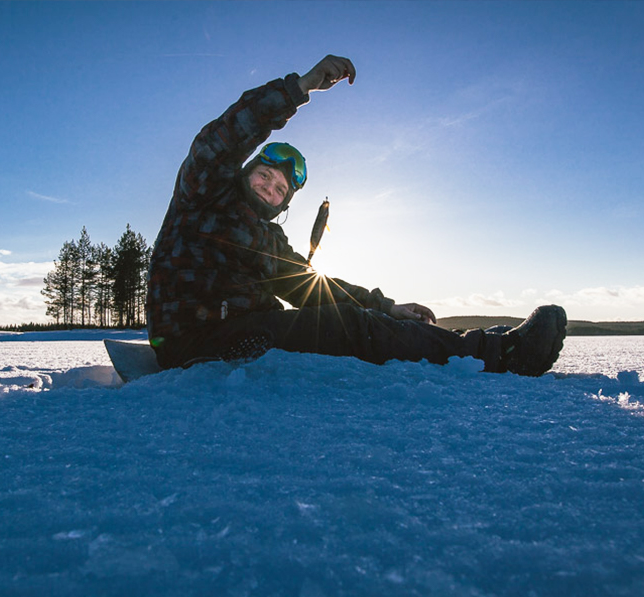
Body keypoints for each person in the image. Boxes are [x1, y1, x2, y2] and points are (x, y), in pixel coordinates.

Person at [146, 55, 566, 376]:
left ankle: (462, 344)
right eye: (265, 175)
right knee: (343, 326)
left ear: (283, 205)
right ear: (246, 169)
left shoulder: (266, 240)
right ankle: (501, 356)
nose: (269, 189)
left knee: (344, 315)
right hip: (196, 344)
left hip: (240, 335)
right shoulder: (202, 193)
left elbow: (315, 289)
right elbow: (223, 137)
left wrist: (389, 307)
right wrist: (301, 86)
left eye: (279, 190)